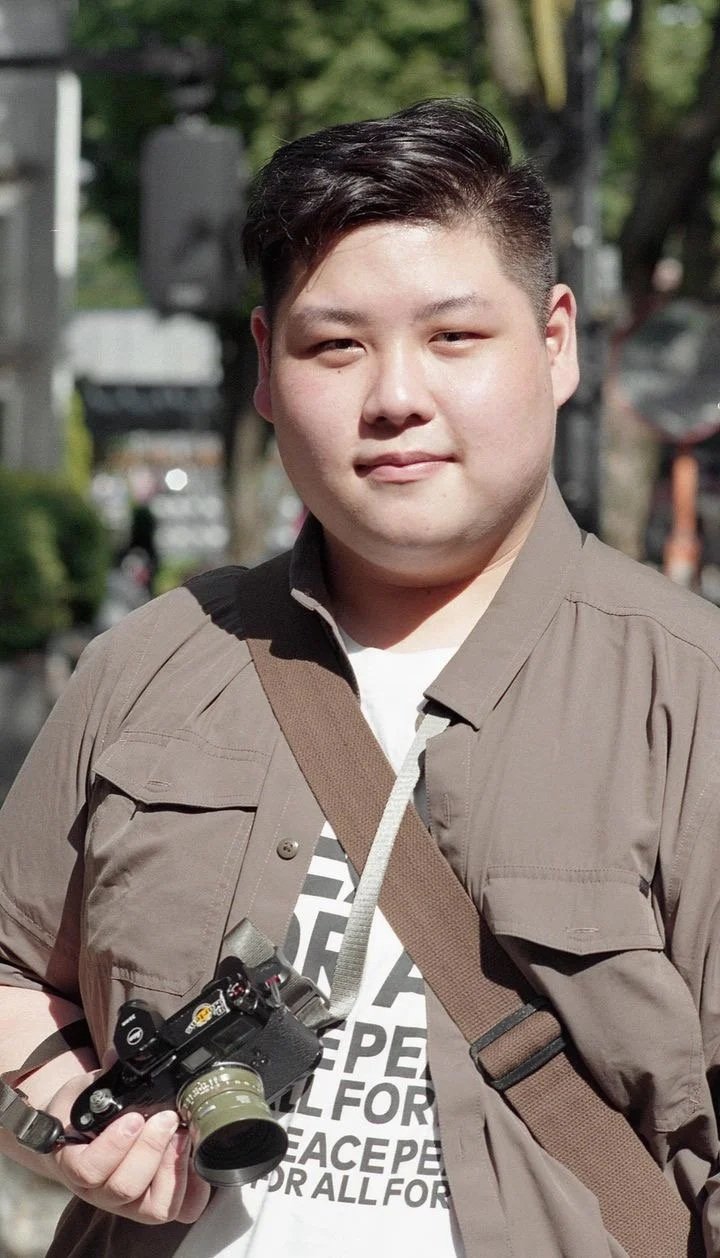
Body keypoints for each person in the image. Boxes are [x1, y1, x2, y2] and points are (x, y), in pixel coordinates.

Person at [1, 97, 720, 1258]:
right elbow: (8, 969)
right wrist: (55, 1116)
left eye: (454, 337)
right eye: (335, 344)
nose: (394, 396)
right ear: (268, 372)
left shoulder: (693, 699)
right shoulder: (149, 663)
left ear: (556, 344)